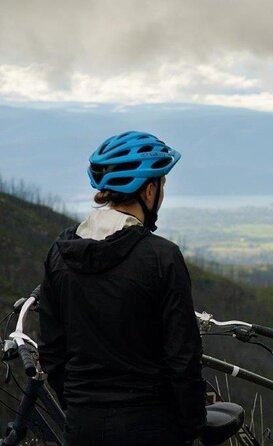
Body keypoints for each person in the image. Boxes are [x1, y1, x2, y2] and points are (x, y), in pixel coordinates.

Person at [38, 131, 207, 446]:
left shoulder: (60, 253)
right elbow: (182, 356)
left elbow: (51, 349)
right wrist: (193, 424)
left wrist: (77, 404)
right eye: (162, 186)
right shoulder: (162, 257)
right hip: (151, 425)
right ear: (149, 189)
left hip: (83, 426)